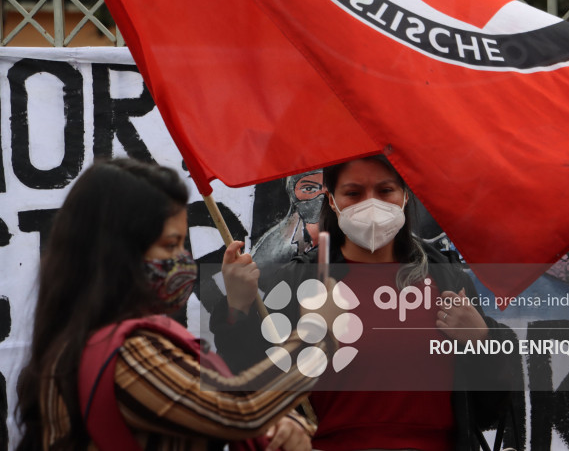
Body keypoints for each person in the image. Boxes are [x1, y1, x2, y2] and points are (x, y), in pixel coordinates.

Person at [15, 159, 338, 451]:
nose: (182, 259)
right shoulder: (128, 352)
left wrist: (276, 424)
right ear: (116, 253)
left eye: (183, 243)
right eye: (170, 244)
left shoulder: (94, 342)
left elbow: (228, 410)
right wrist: (316, 335)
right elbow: (240, 412)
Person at [211, 155, 519, 451]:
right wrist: (239, 306)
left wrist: (483, 339)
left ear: (405, 196)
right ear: (331, 200)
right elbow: (253, 388)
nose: (371, 204)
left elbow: (490, 409)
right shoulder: (300, 282)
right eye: (353, 193)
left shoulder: (447, 279)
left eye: (385, 190)